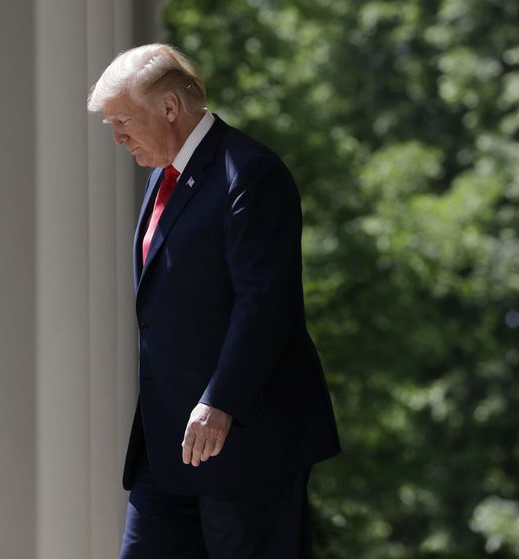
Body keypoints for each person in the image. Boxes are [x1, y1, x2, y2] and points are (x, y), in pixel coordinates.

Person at [87, 43, 341, 559]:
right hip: (167, 447)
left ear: (169, 108)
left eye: (123, 120)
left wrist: (220, 401)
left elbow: (265, 302)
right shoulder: (163, 175)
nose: (117, 137)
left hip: (245, 440)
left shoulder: (247, 172)